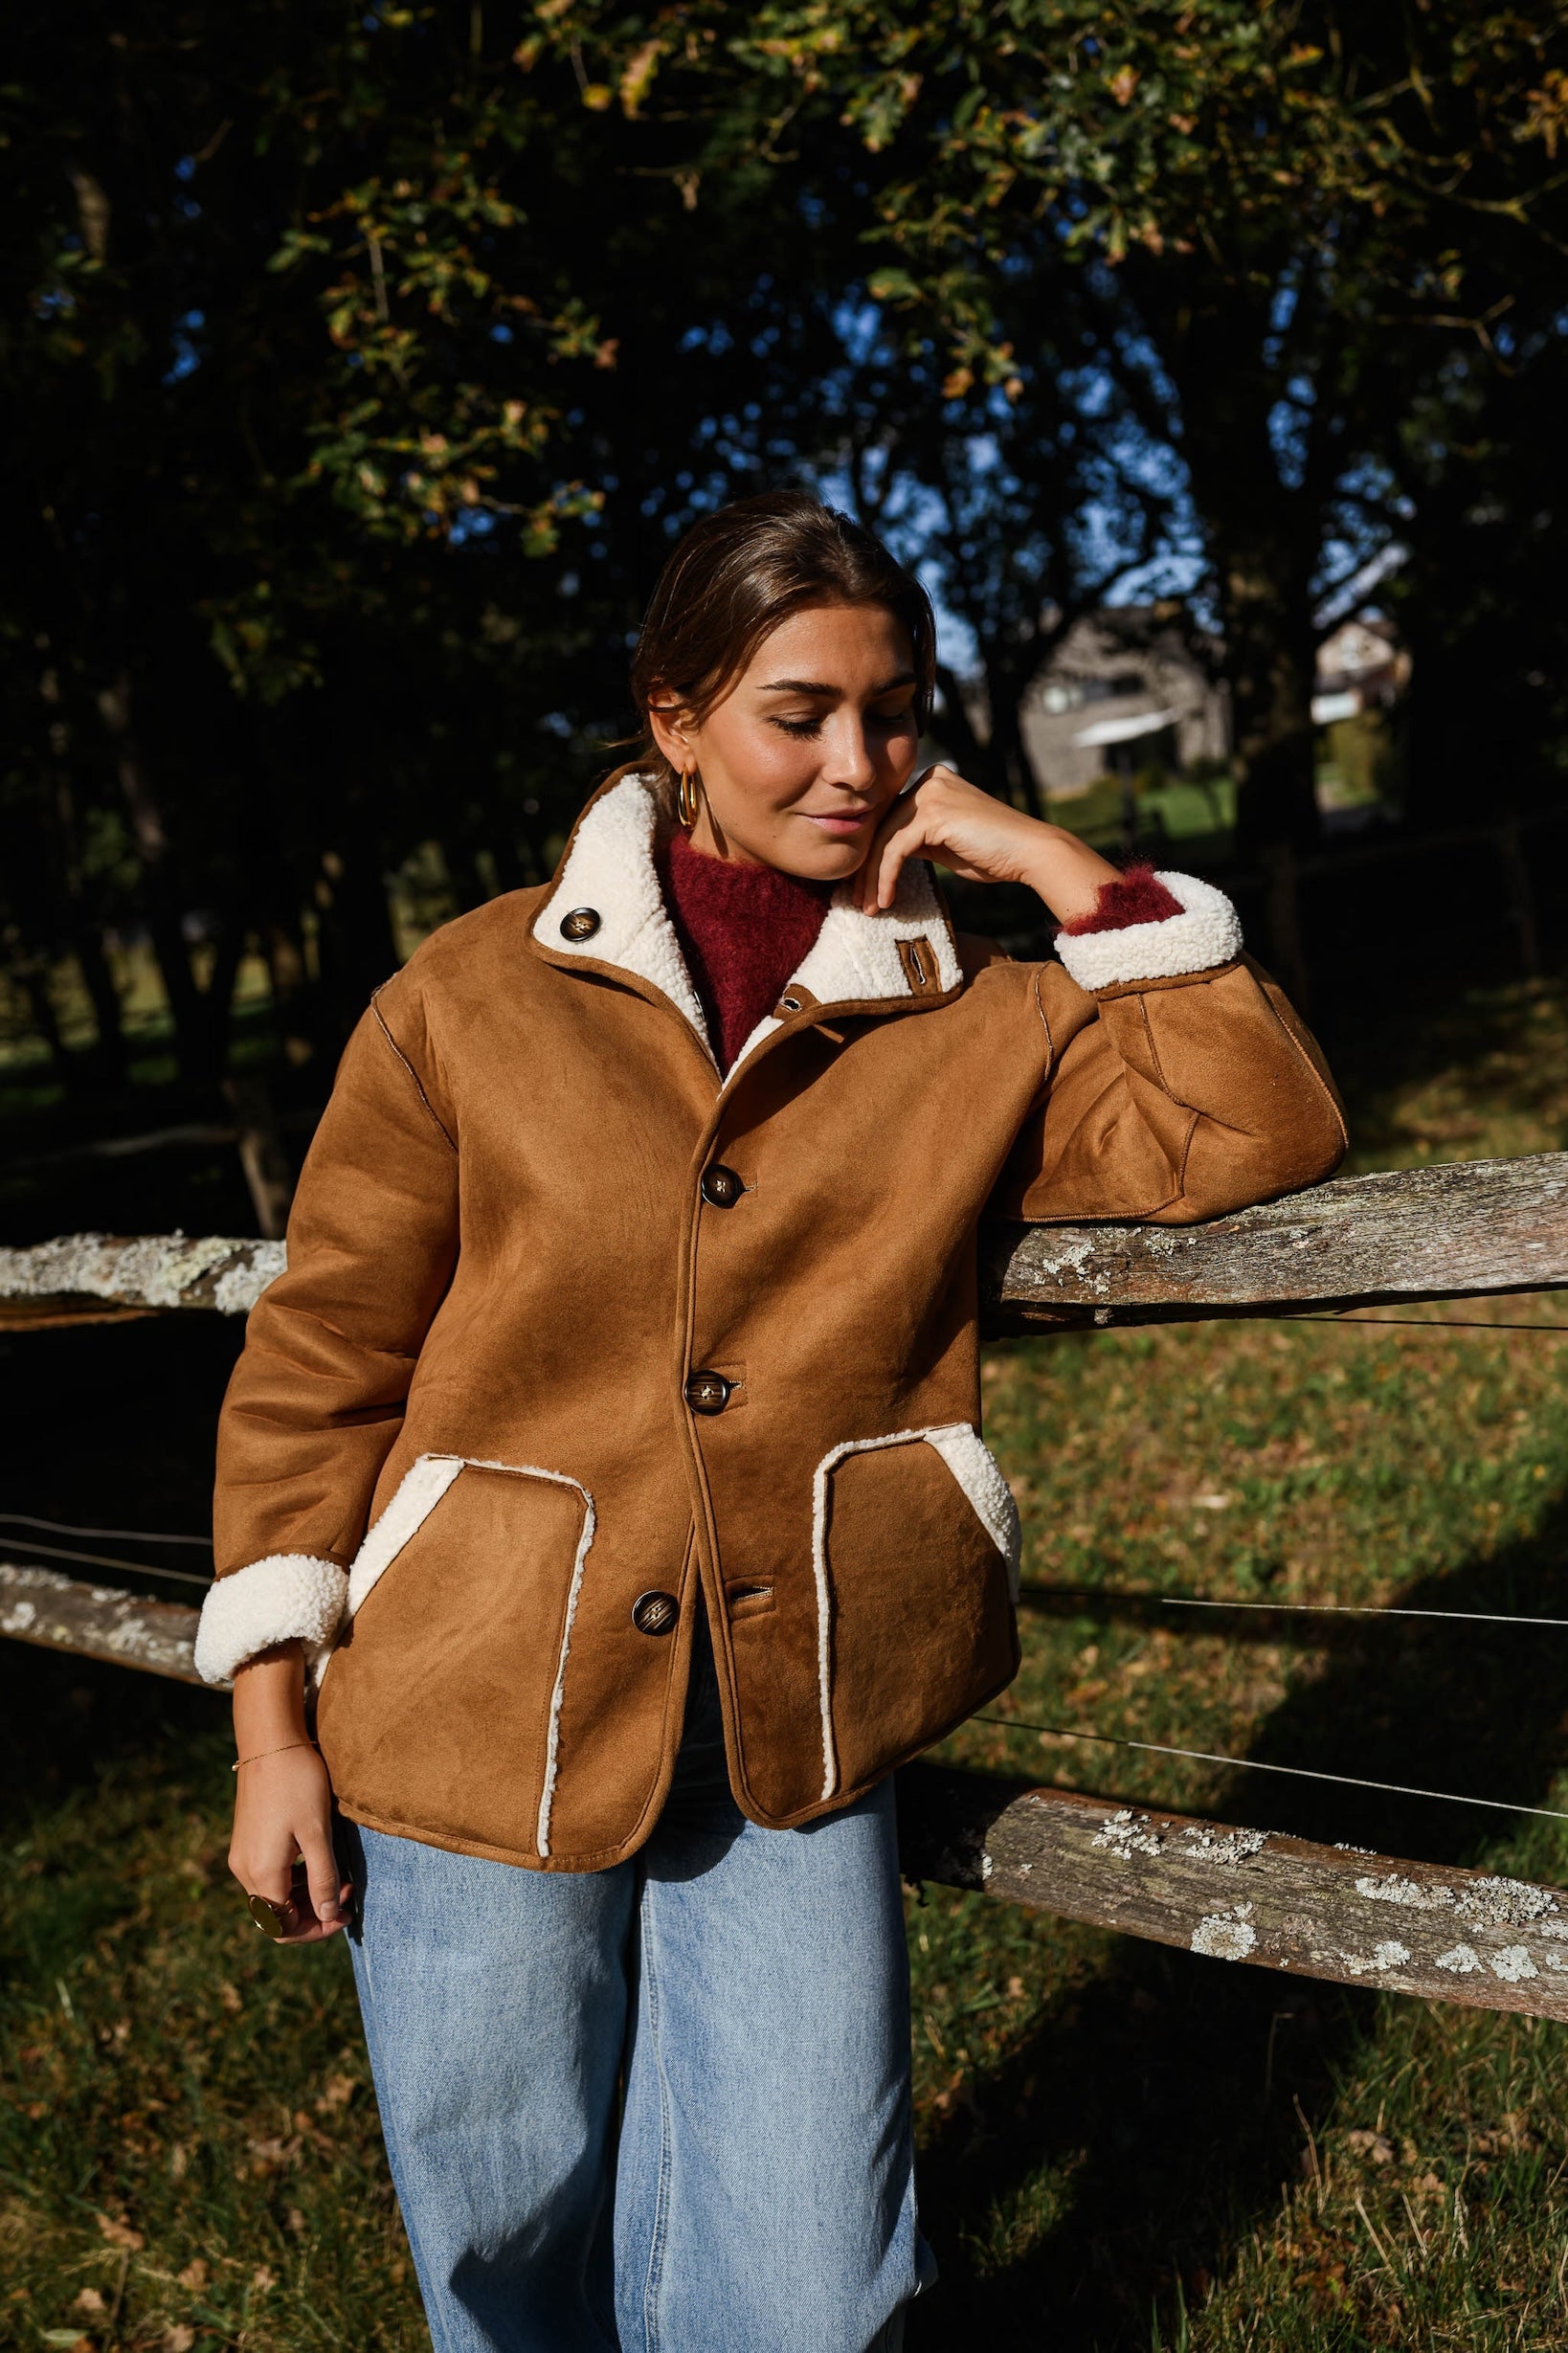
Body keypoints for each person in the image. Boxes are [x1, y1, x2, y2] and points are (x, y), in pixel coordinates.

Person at [198, 490, 1346, 2352]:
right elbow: (322, 1360)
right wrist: (270, 1722)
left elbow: (1254, 1130)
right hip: (478, 1692)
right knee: (508, 2216)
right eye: (796, 711)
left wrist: (1053, 864)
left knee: (815, 2273)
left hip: (801, 1693)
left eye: (893, 713)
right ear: (675, 720)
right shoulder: (471, 996)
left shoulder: (972, 1012)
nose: (858, 758)